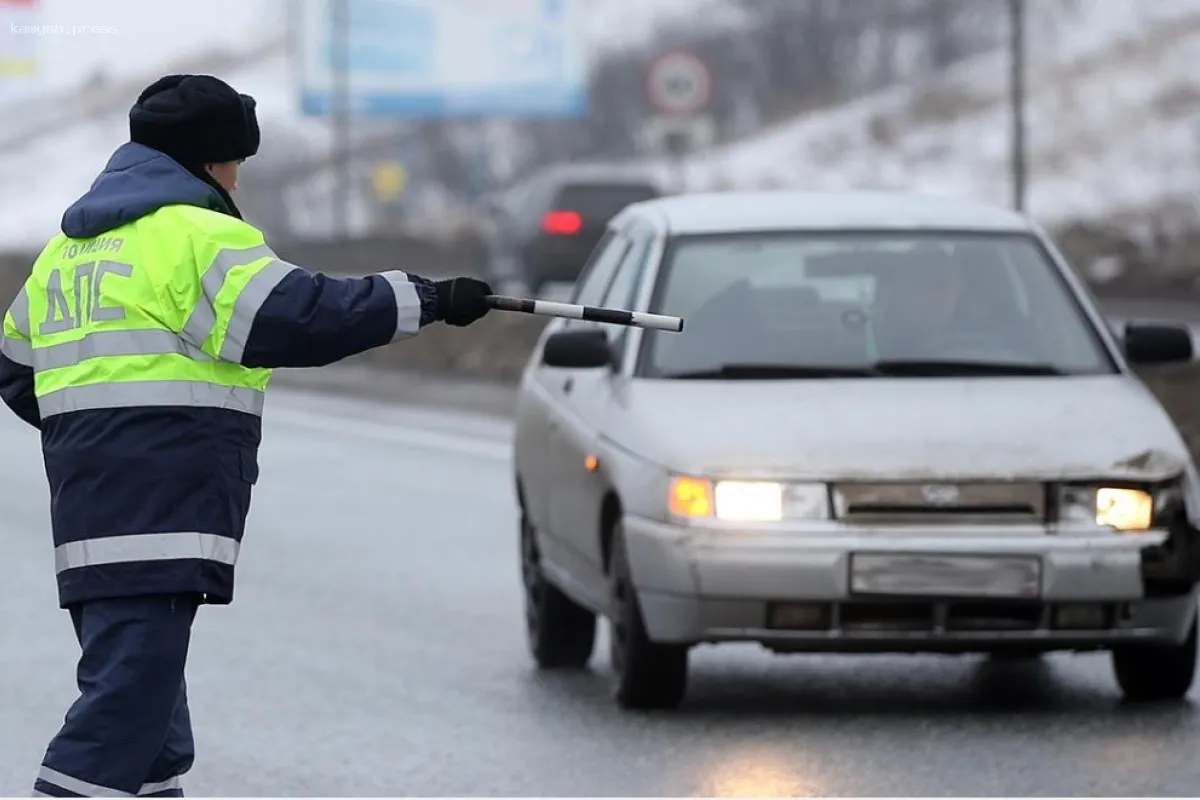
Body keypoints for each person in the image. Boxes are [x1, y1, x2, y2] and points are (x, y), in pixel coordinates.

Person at [0, 74, 493, 798]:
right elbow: (299, 314)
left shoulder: (65, 253)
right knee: (122, 715)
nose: (237, 178)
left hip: (91, 514)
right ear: (209, 160)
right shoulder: (196, 237)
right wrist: (426, 298)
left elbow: (17, 372)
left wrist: (95, 433)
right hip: (162, 511)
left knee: (154, 730)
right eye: (235, 162)